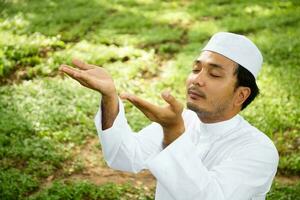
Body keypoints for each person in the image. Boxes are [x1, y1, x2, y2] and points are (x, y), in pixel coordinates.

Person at [59, 32, 279, 200]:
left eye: (214, 74)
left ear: (241, 94)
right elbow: (124, 156)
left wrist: (173, 132)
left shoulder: (258, 150)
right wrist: (109, 96)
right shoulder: (186, 120)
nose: (197, 80)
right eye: (195, 69)